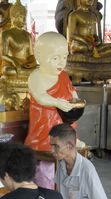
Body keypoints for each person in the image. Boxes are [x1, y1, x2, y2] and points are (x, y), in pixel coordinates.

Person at [25, 32, 82, 189]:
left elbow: (72, 92)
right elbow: (41, 97)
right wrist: (57, 102)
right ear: (39, 56)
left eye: (64, 57)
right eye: (55, 58)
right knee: (47, 172)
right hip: (45, 126)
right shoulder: (36, 76)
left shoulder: (63, 75)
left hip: (64, 123)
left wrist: (76, 102)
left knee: (69, 167)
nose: (61, 63)